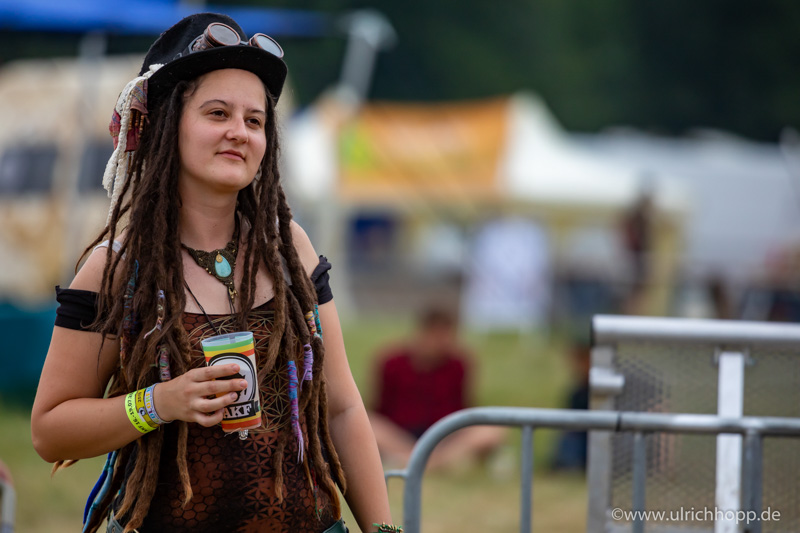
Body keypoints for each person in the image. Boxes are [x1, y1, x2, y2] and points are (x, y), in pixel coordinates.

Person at [30, 13, 399, 533]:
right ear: (166, 124)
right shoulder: (118, 267)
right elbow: (50, 430)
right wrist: (160, 403)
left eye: (254, 121)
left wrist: (385, 531)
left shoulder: (289, 248)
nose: (238, 132)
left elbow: (342, 410)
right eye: (218, 113)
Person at [368, 306, 506, 471]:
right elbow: (378, 408)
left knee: (492, 431)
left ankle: (418, 462)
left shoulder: (459, 363)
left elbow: (465, 407)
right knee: (368, 425)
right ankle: (433, 462)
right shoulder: (392, 361)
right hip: (399, 434)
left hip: (445, 435)